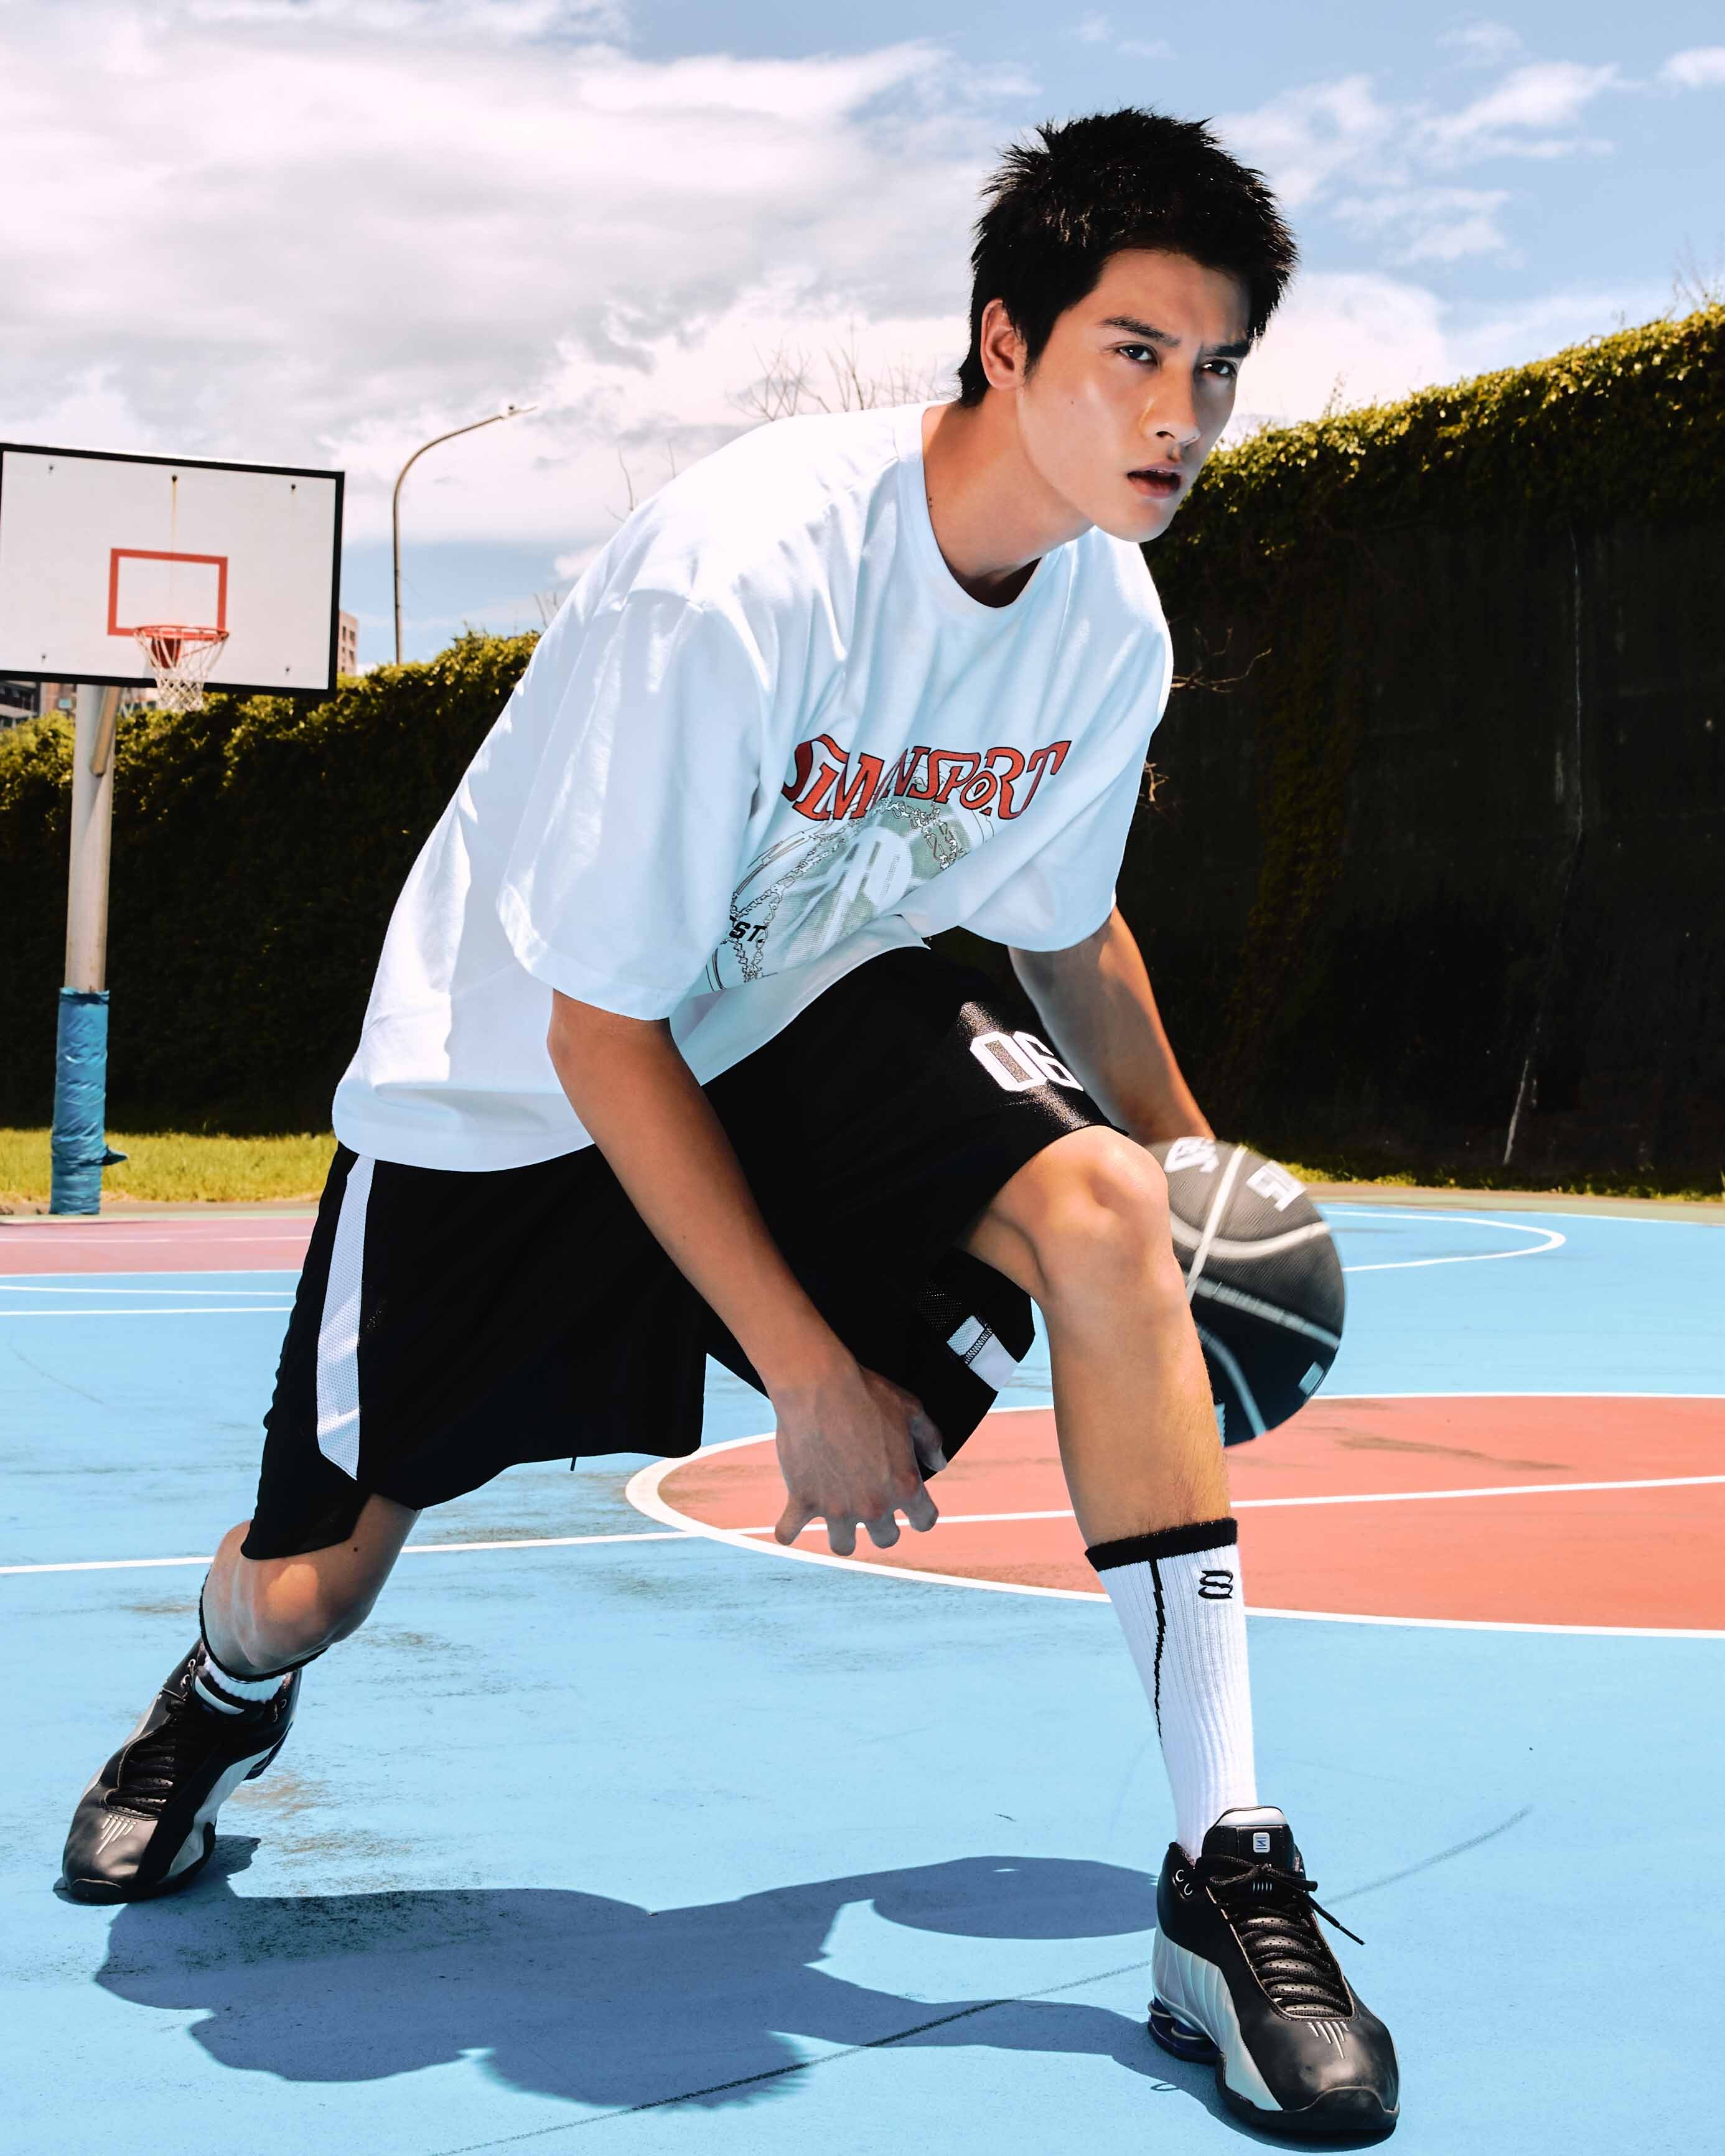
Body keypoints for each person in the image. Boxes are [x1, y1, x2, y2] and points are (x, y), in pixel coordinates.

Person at [62, 108, 1398, 2138]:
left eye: (1214, 367)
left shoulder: (1104, 622)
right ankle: (223, 1691)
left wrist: (1201, 1179)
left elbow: (1063, 924)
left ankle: (1225, 1866)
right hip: (511, 1079)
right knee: (311, 1583)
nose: (1181, 413)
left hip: (787, 1007)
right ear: (1005, 338)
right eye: (1133, 350)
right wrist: (807, 1370)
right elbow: (601, 1028)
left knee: (1108, 1214)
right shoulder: (744, 575)